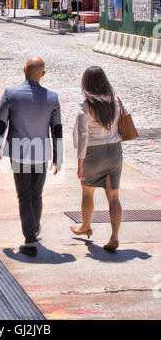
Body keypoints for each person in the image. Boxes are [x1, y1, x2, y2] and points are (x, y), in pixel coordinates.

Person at [0, 57, 63, 257]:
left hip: (19, 152)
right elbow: (57, 129)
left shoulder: (11, 94)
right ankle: (34, 226)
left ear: (24, 70)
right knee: (36, 195)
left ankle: (30, 241)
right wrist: (59, 157)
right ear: (43, 74)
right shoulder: (52, 98)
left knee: (24, 196)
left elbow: (1, 121)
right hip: (41, 153)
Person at [72, 66, 123, 252]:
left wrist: (80, 163)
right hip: (115, 152)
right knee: (114, 197)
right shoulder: (116, 101)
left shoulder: (85, 107)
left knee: (87, 193)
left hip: (94, 154)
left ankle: (85, 226)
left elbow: (83, 137)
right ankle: (114, 237)